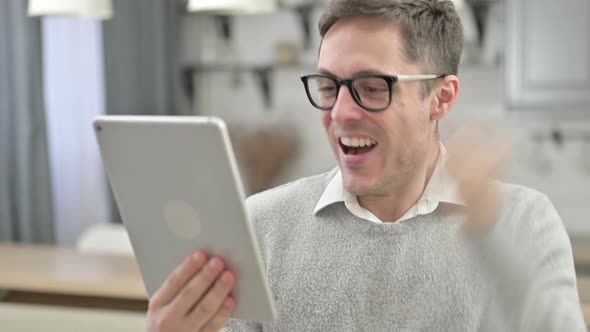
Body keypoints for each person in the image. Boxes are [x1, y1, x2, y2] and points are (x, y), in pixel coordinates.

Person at [146, 0, 586, 331]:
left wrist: (492, 239)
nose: (339, 112)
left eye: (372, 87)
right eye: (328, 85)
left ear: (441, 97)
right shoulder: (260, 227)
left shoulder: (523, 223)